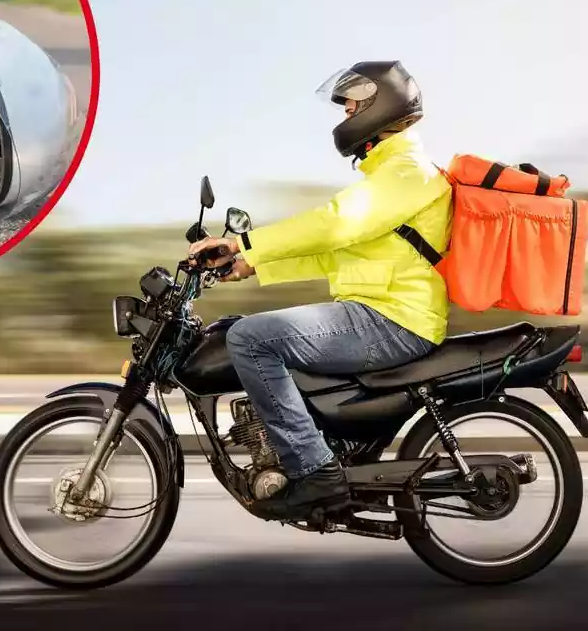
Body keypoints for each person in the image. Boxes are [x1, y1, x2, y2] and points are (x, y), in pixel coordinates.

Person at [187, 60, 454, 521]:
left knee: (251, 339)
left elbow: (335, 224)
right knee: (241, 329)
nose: (346, 112)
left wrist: (241, 241)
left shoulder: (406, 172)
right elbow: (336, 254)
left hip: (393, 320)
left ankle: (315, 471)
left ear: (382, 104)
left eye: (352, 102)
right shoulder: (391, 175)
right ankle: (316, 447)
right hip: (379, 313)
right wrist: (251, 265)